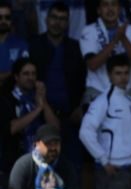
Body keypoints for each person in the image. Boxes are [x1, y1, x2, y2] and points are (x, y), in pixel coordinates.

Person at [80, 53, 131, 189]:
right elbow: (85, 132)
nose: (123, 78)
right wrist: (104, 160)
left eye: (126, 73)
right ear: (109, 75)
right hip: (112, 172)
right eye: (118, 73)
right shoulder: (102, 101)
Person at [28, 3, 85, 163]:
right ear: (46, 19)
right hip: (40, 116)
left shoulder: (76, 48)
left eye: (62, 19)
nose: (57, 22)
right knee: (42, 166)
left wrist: (80, 107)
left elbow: (85, 80)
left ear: (67, 23)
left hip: (71, 117)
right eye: (54, 17)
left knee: (73, 166)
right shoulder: (34, 45)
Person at [78, 0, 131, 102]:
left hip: (125, 90)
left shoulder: (130, 30)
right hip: (97, 90)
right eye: (105, 5)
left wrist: (123, 38)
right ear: (99, 10)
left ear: (119, 9)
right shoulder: (89, 30)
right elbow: (92, 65)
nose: (110, 9)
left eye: (113, 4)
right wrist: (115, 40)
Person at [1, 57, 58, 170]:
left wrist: (43, 101)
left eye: (33, 74)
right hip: (14, 162)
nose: (30, 77)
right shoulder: (6, 99)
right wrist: (37, 109)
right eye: (26, 74)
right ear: (16, 77)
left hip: (41, 161)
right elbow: (12, 128)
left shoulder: (38, 98)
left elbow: (55, 128)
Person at [0, 1, 28, 85]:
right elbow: (16, 73)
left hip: (13, 94)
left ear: (12, 20)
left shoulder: (22, 45)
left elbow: (24, 75)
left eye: (7, 17)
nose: (3, 21)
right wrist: (11, 73)